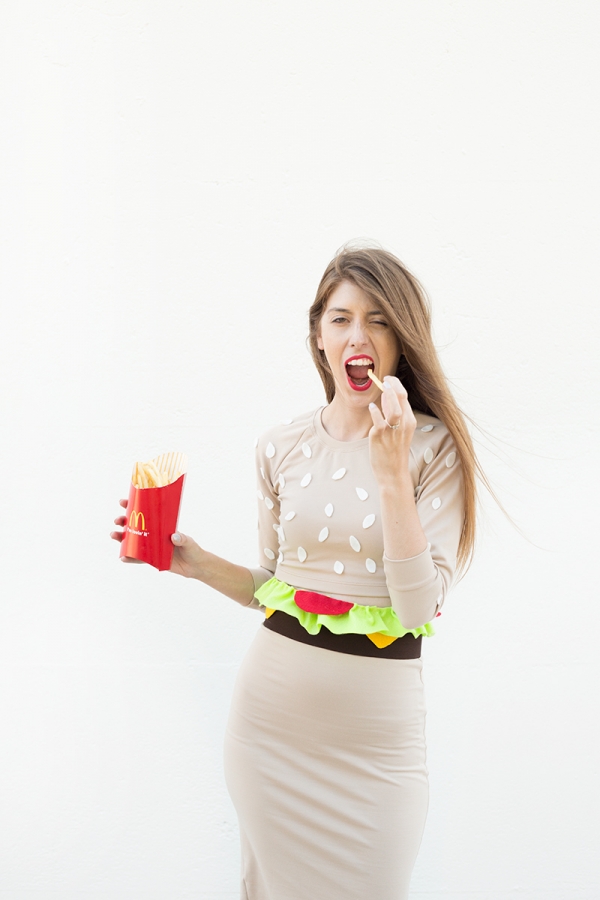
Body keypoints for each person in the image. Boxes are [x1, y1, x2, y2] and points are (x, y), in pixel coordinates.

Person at [111, 245, 478, 900]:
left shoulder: (432, 448)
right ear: (318, 334)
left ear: (402, 337)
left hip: (377, 749)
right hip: (268, 732)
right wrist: (192, 564)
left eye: (379, 320)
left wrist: (391, 473)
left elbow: (419, 608)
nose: (358, 336)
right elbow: (275, 587)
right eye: (340, 319)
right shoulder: (280, 445)